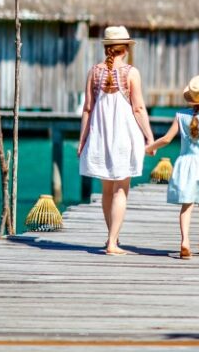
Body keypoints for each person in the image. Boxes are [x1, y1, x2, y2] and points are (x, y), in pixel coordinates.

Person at [78, 25, 154, 255]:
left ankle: (112, 237)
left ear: (108, 48)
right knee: (122, 189)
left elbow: (87, 109)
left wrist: (82, 140)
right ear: (126, 48)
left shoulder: (94, 71)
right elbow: (139, 108)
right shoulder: (131, 72)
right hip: (124, 136)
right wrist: (149, 136)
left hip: (101, 136)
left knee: (107, 190)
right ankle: (112, 242)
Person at [145, 74, 199, 259]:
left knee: (186, 206)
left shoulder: (180, 115)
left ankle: (185, 240)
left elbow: (167, 139)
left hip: (185, 164)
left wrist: (150, 147)